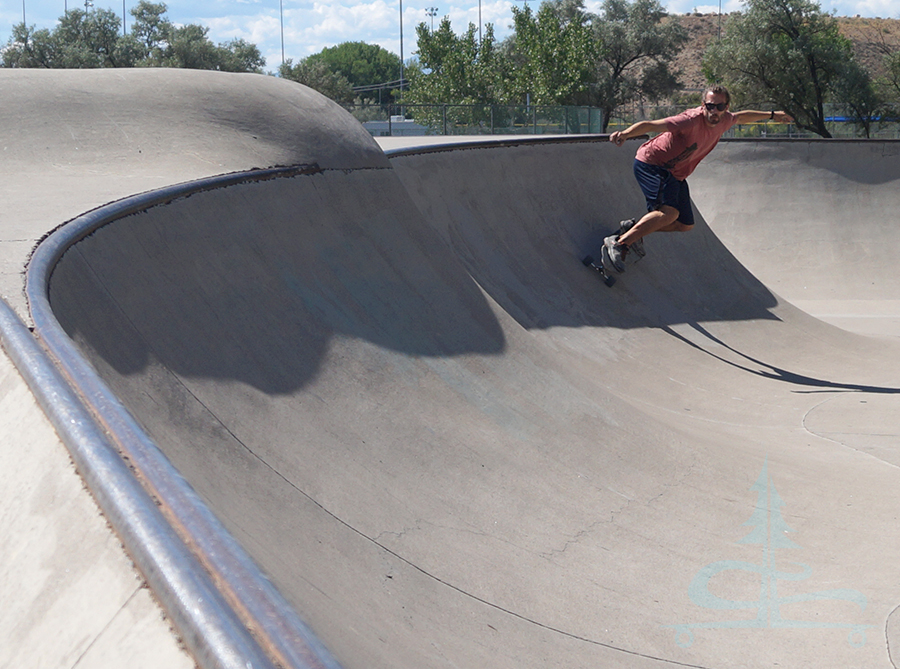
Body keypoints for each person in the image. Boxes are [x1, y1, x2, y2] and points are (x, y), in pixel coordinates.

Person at [604, 85, 793, 273]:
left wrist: (772, 115)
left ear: (726, 108)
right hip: (653, 164)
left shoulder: (726, 120)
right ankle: (620, 243)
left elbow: (742, 116)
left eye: (720, 107)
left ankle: (631, 230)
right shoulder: (689, 121)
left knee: (684, 225)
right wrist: (626, 133)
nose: (714, 112)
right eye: (710, 106)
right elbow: (652, 125)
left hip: (675, 174)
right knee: (669, 214)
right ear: (703, 105)